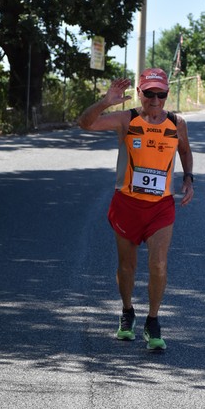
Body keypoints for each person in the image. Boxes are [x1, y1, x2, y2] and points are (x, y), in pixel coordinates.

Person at [78, 68, 194, 351]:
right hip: (127, 204)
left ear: (167, 94)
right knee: (127, 267)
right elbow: (85, 124)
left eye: (161, 94)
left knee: (158, 264)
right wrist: (105, 102)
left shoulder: (177, 123)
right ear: (140, 93)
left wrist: (189, 178)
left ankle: (152, 320)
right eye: (149, 93)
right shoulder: (126, 119)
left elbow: (185, 151)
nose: (155, 99)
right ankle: (127, 311)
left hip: (160, 207)